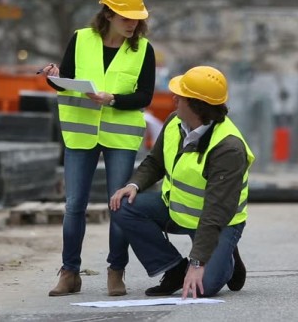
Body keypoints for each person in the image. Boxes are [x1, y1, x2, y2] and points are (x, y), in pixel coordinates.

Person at [39, 0, 155, 297]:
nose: (132, 23)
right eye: (125, 17)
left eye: (136, 18)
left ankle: (116, 271)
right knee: (74, 205)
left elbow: (145, 95)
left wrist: (113, 98)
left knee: (118, 207)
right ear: (108, 13)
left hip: (120, 136)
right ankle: (69, 273)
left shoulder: (143, 49)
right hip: (80, 132)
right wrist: (55, 77)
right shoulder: (80, 39)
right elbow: (68, 84)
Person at [109, 66, 254, 298]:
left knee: (202, 288)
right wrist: (133, 185)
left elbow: (216, 213)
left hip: (217, 222)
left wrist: (197, 263)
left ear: (197, 105)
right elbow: (155, 162)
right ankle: (174, 268)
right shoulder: (174, 122)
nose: (174, 98)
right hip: (177, 208)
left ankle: (228, 258)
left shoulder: (228, 148)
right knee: (123, 206)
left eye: (181, 96)